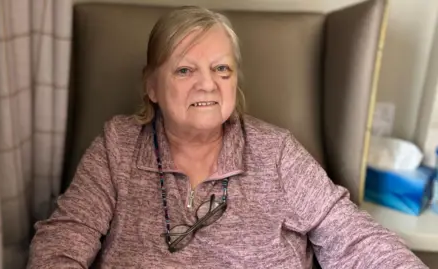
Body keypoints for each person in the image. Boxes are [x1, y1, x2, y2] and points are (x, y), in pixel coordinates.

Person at [27, 6, 427, 269]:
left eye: (222, 69)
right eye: (185, 70)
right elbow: (63, 239)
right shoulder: (118, 145)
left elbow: (350, 235)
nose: (208, 85)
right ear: (151, 85)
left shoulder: (276, 151)